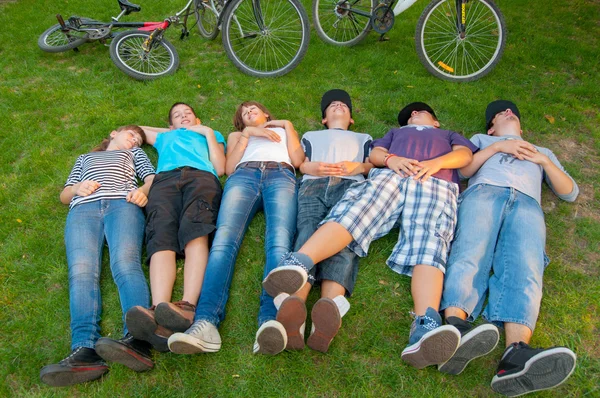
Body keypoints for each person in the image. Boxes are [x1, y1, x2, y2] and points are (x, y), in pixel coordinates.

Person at [263, 102, 478, 368]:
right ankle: (299, 262)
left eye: (421, 112)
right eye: (409, 114)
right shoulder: (395, 133)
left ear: (435, 123)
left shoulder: (447, 135)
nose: (413, 113)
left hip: (437, 183)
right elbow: (376, 154)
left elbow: (465, 156)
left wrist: (435, 164)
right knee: (357, 211)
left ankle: (426, 325)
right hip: (391, 175)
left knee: (430, 244)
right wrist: (391, 159)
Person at [439, 100, 578, 396]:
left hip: (528, 204)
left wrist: (543, 161)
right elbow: (463, 171)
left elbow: (570, 192)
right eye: (500, 113)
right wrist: (497, 148)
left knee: (526, 267)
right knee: (471, 251)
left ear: (522, 127)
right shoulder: (482, 141)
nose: (507, 111)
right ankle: (455, 329)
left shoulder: (542, 151)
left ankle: (515, 356)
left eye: (511, 111)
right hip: (484, 194)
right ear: (491, 127)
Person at [167, 100, 304, 356]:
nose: (249, 112)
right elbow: (229, 168)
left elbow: (297, 160)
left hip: (281, 175)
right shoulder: (237, 135)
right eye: (244, 112)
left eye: (254, 109)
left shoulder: (284, 130)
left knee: (279, 242)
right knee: (223, 242)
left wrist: (288, 126)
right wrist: (248, 134)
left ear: (266, 113)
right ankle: (205, 322)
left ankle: (270, 321)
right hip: (243, 176)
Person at [40, 126, 156, 387]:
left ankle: (137, 341)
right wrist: (77, 188)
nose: (133, 141)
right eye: (130, 136)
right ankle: (84, 351)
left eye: (137, 140)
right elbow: (64, 194)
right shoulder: (85, 158)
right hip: (83, 210)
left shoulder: (135, 154)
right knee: (81, 273)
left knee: (125, 265)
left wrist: (142, 193)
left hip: (122, 205)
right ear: (114, 133)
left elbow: (151, 179)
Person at [267, 89, 373, 353]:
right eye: (331, 106)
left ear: (351, 120)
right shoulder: (311, 136)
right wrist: (308, 168)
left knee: (344, 244)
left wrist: (358, 167)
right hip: (313, 185)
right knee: (306, 235)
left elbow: (373, 164)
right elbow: (301, 163)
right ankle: (295, 306)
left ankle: (328, 308)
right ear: (324, 119)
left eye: (344, 106)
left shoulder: (364, 138)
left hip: (351, 187)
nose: (338, 106)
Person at [125, 103, 226, 352]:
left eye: (188, 114)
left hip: (202, 177)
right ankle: (159, 309)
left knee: (196, 231)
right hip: (164, 181)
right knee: (160, 236)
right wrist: (172, 130)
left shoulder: (211, 134)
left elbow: (221, 167)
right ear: (169, 125)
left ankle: (188, 306)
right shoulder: (165, 136)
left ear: (198, 118)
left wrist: (207, 132)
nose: (184, 117)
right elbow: (138, 129)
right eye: (177, 116)